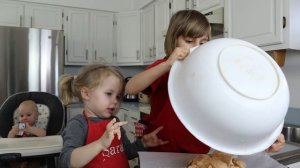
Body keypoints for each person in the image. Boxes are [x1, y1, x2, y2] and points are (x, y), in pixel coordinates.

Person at [125, 9, 285, 154]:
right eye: (189, 41)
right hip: (160, 149)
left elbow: (235, 110)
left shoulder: (212, 72)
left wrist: (267, 138)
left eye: (203, 42)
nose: (196, 47)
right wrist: (167, 65)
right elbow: (131, 88)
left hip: (196, 152)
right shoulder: (165, 66)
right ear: (173, 39)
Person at [59, 64, 168, 168]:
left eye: (118, 96)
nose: (115, 101)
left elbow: (127, 152)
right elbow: (66, 161)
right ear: (86, 94)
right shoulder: (78, 124)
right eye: (109, 94)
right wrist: (100, 144)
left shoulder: (115, 121)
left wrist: (143, 143)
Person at [7, 100, 46, 168]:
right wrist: (12, 133)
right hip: (19, 153)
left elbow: (43, 134)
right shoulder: (18, 127)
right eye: (21, 116)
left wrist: (30, 129)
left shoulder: (37, 126)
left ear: (36, 116)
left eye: (28, 115)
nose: (25, 118)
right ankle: (20, 166)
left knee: (37, 161)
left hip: (34, 153)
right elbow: (9, 140)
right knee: (10, 160)